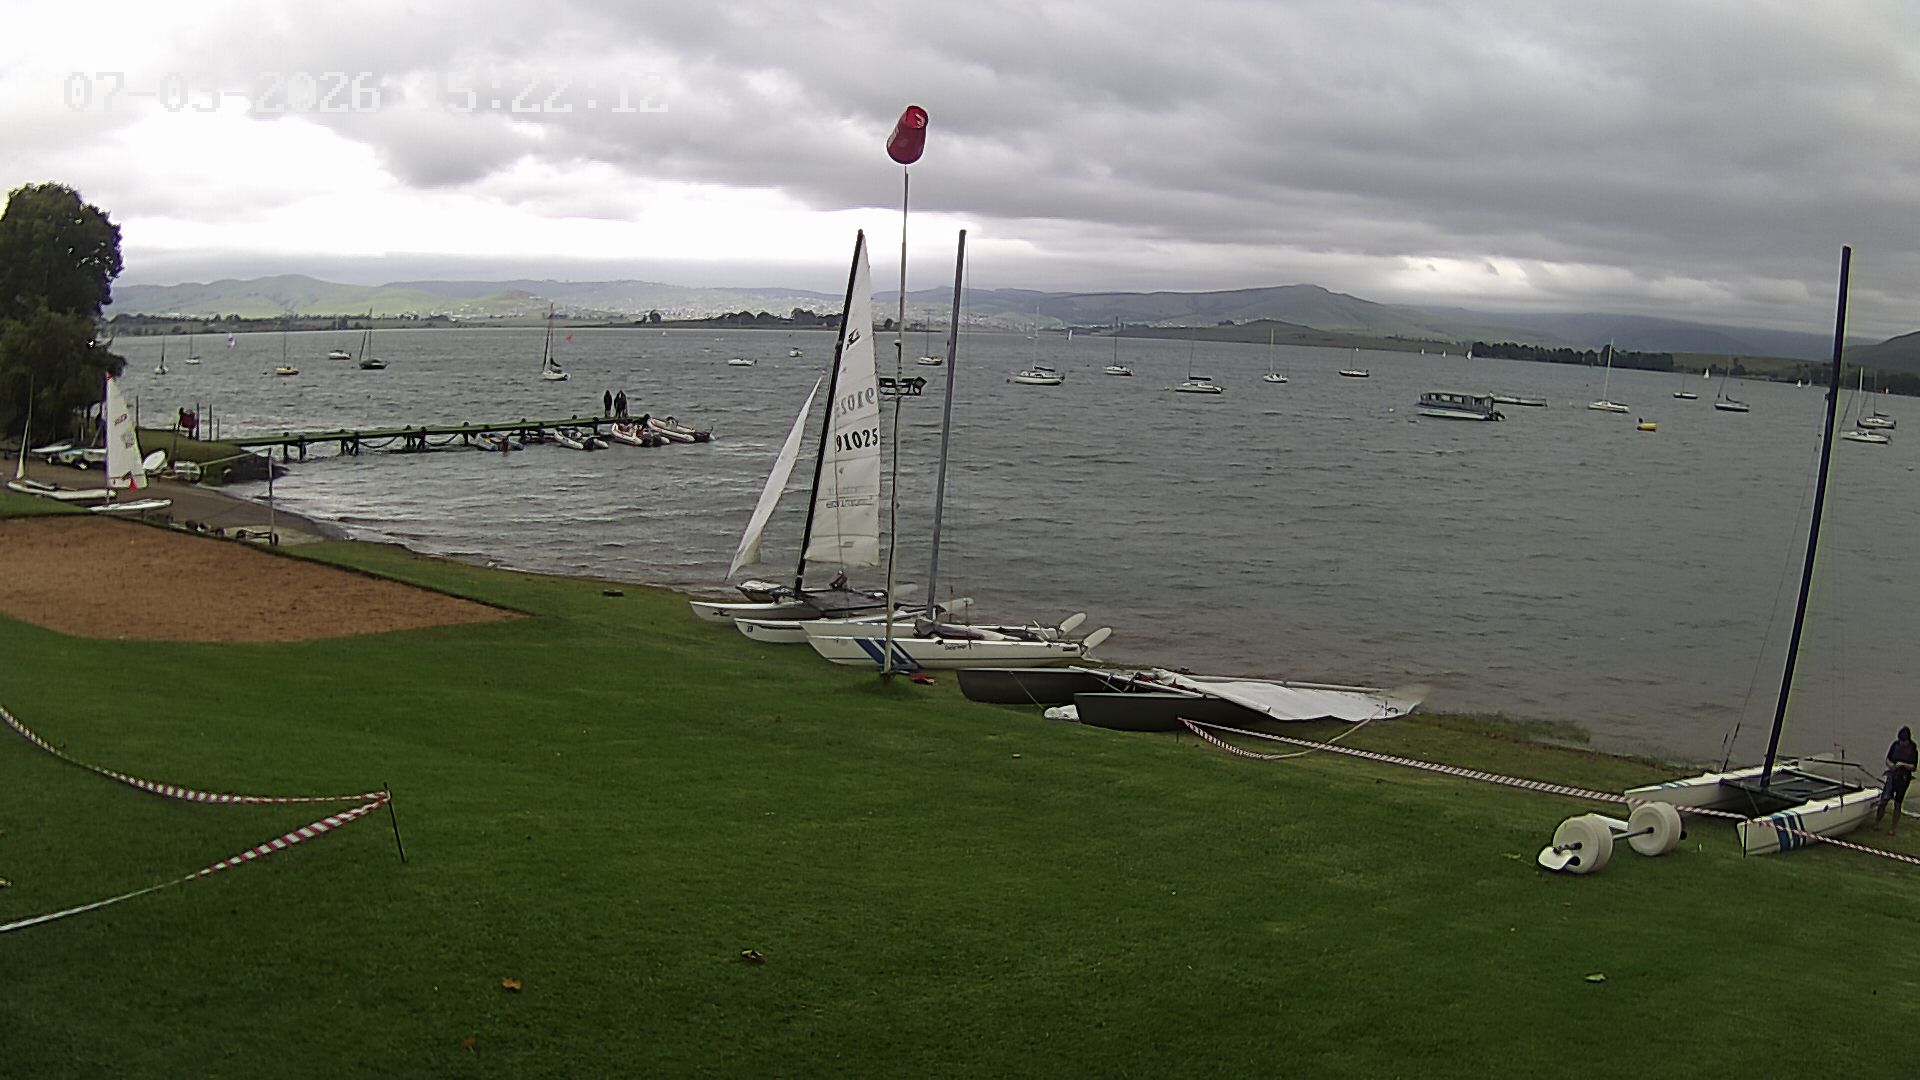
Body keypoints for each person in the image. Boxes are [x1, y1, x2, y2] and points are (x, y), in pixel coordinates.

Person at [1876, 726, 1918, 834]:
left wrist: (1903, 764)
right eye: (1900, 741)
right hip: (1892, 776)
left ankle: (1893, 828)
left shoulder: (1913, 749)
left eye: (1903, 741)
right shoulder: (1895, 745)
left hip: (1903, 778)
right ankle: (1877, 823)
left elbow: (1913, 767)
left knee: (1898, 803)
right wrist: (1890, 765)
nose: (1901, 743)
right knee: (1884, 800)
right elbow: (1888, 759)